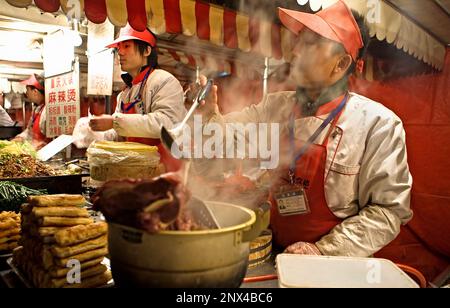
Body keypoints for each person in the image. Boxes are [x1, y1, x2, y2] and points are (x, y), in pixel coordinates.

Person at [195, 1, 444, 281]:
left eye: (311, 44)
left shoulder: (378, 125)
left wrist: (322, 252)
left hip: (336, 267)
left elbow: (388, 212)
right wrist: (208, 117)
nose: (296, 50)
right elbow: (225, 139)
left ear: (340, 64)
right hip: (273, 252)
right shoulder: (274, 107)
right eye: (299, 41)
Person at [89, 24, 185, 171]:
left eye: (126, 46)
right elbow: (120, 133)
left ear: (147, 50)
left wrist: (114, 122)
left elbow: (167, 123)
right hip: (136, 169)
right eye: (118, 48)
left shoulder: (164, 80)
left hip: (164, 169)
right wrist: (96, 135)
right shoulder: (125, 93)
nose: (120, 52)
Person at [13, 74, 50, 149]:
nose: (26, 93)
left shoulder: (48, 110)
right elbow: (29, 130)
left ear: (35, 92)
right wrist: (20, 138)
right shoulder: (37, 109)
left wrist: (41, 145)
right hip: (35, 153)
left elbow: (52, 138)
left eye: (28, 90)